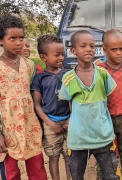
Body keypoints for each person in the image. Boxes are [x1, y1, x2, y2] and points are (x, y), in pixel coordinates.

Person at [0, 14, 47, 180]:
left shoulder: (28, 65)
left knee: (37, 165)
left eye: (21, 38)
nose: (19, 43)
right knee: (11, 171)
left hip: (30, 123)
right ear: (0, 40)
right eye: (13, 38)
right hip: (8, 127)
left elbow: (33, 92)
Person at [58, 30, 119, 180]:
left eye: (92, 46)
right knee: (77, 175)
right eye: (83, 46)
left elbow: (108, 98)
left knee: (110, 175)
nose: (88, 49)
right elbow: (69, 102)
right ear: (73, 51)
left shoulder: (103, 74)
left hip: (102, 135)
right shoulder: (68, 78)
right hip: (79, 138)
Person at [31, 34, 71, 180]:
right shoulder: (39, 78)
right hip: (50, 123)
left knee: (69, 156)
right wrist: (51, 124)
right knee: (53, 157)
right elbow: (37, 105)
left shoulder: (68, 75)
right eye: (57, 55)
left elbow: (74, 100)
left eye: (62, 54)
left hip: (68, 121)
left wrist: (70, 120)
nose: (61, 57)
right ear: (43, 57)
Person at [95, 29, 122, 179]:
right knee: (105, 150)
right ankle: (103, 176)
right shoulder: (100, 69)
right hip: (106, 117)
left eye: (121, 49)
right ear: (105, 50)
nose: (119, 53)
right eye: (114, 49)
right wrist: (95, 63)